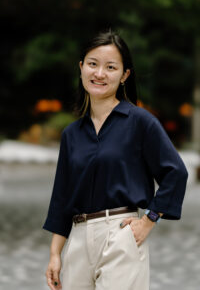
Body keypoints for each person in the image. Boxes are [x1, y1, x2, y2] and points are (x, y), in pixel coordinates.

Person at [43, 30, 188, 290]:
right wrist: (55, 253)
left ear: (124, 76)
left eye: (111, 67)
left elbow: (175, 172)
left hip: (121, 234)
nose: (99, 74)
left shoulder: (140, 122)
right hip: (78, 240)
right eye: (93, 64)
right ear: (81, 68)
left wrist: (149, 220)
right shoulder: (72, 134)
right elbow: (62, 197)